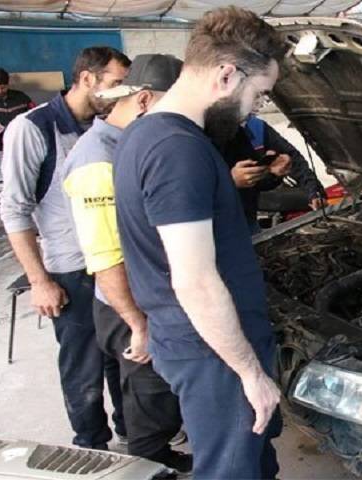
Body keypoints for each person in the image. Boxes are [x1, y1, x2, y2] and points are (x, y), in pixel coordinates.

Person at [112, 7, 285, 478]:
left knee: (254, 463)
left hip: (194, 340)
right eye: (258, 93)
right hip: (215, 353)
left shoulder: (145, 132)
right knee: (229, 470)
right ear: (227, 75)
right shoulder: (178, 151)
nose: (255, 108)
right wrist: (250, 373)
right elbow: (195, 281)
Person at [60, 54, 191, 474]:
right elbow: (105, 256)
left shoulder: (125, 145)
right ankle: (151, 465)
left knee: (137, 394)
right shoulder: (99, 159)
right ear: (144, 100)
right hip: (126, 304)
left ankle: (151, 452)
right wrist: (138, 324)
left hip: (135, 297)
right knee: (151, 396)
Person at [0, 46, 131, 450]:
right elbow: (15, 209)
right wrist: (40, 280)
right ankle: (93, 447)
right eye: (116, 84)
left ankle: (136, 438)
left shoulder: (109, 125)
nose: (122, 94)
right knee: (84, 367)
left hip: (115, 264)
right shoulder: (33, 128)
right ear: (87, 78)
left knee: (123, 358)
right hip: (72, 270)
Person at [226, 114, 325, 231]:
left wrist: (314, 192)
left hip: (248, 218)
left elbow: (295, 161)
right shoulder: (207, 140)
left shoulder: (256, 127)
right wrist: (231, 181)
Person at [0, 67, 35, 152]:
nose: (0, 91)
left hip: (20, 141)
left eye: (3, 88)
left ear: (8, 85)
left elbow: (35, 114)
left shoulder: (21, 97)